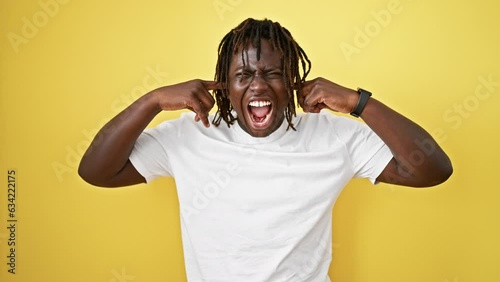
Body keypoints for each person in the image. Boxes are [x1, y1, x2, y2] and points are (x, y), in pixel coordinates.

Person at [79, 18, 452, 282]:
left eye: (272, 73)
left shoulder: (334, 137)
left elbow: (432, 169)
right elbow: (95, 171)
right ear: (225, 85)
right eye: (243, 75)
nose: (257, 86)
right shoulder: (191, 136)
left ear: (291, 81)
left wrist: (359, 102)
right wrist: (153, 100)